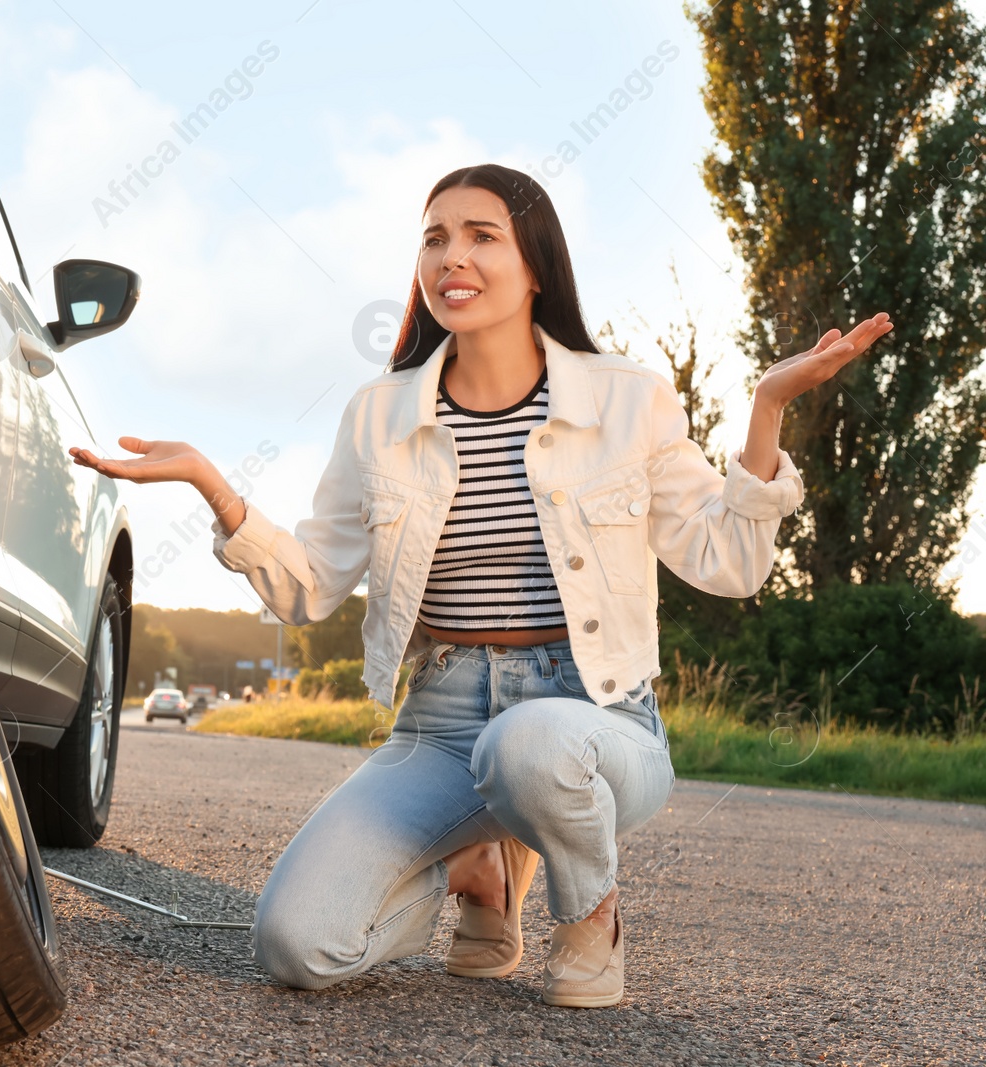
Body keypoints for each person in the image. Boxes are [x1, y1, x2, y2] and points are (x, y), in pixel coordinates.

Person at [68, 163, 891, 1006]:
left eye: (480, 236)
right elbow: (309, 590)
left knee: (527, 745)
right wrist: (217, 488)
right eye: (434, 238)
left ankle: (590, 913)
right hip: (441, 720)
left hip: (597, 722)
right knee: (296, 943)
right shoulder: (379, 416)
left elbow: (731, 560)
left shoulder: (627, 400)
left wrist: (766, 408)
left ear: (535, 265)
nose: (450, 257)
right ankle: (481, 872)